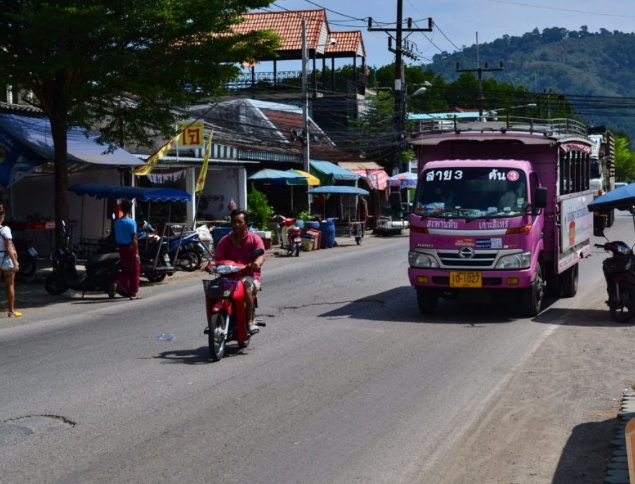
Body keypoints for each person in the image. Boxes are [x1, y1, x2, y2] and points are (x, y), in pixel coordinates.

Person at [209, 209, 265, 338]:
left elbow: (261, 256)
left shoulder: (254, 239)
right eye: (234, 222)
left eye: (240, 222)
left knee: (245, 287)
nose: (236, 225)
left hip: (249, 275)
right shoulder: (225, 240)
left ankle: (250, 321)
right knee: (213, 289)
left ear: (246, 224)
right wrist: (209, 264)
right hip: (228, 277)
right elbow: (216, 258)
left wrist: (256, 263)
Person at [110, 198, 141, 300]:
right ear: (130, 210)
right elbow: (134, 238)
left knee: (125, 269)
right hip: (130, 247)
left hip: (121, 248)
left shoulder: (116, 223)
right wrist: (136, 252)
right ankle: (133, 293)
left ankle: (117, 282)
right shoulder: (131, 223)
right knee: (135, 270)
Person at [0, 205, 21, 317]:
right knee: (10, 285)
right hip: (5, 259)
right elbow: (9, 248)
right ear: (2, 217)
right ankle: (11, 311)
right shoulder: (5, 229)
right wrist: (15, 262)